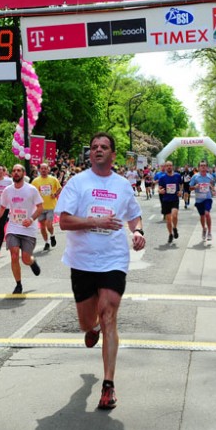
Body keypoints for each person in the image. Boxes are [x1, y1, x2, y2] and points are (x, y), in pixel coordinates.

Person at [54, 132, 145, 410]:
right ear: (90, 154)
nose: (98, 150)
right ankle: (91, 328)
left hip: (113, 259)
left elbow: (134, 216)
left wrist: (138, 232)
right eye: (94, 147)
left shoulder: (123, 185)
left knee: (109, 315)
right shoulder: (77, 182)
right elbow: (64, 222)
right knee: (87, 322)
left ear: (113, 155)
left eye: (104, 147)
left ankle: (108, 385)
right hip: (82, 261)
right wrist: (96, 222)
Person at [0, 164, 43, 295]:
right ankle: (18, 285)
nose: (16, 173)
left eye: (18, 170)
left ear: (23, 173)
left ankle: (31, 261)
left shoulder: (31, 189)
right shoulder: (7, 190)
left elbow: (40, 208)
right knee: (14, 255)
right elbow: (2, 207)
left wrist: (31, 219)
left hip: (28, 228)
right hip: (13, 227)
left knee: (25, 259)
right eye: (14, 171)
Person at [31, 162, 62, 251]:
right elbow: (31, 192)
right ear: (39, 170)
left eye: (45, 168)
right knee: (42, 226)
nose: (44, 170)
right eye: (42, 169)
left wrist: (55, 194)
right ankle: (46, 242)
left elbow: (60, 188)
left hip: (51, 206)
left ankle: (52, 235)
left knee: (48, 224)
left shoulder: (53, 179)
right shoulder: (35, 181)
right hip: (40, 207)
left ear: (48, 169)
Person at [190, 160, 216, 242]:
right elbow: (190, 188)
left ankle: (209, 232)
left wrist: (213, 190)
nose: (203, 167)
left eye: (204, 165)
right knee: (202, 216)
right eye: (201, 166)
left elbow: (212, 185)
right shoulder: (195, 177)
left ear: (207, 167)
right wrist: (195, 187)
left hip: (207, 198)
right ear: (199, 168)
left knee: (207, 213)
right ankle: (204, 229)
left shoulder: (210, 177)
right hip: (199, 200)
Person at [158, 161, 182, 244]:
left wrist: (180, 191)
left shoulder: (177, 176)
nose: (169, 167)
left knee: (174, 215)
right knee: (168, 220)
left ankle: (174, 228)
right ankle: (170, 234)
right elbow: (159, 188)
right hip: (166, 200)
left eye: (170, 165)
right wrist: (160, 191)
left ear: (172, 166)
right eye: (167, 166)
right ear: (165, 167)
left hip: (175, 199)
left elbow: (180, 185)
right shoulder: (162, 178)